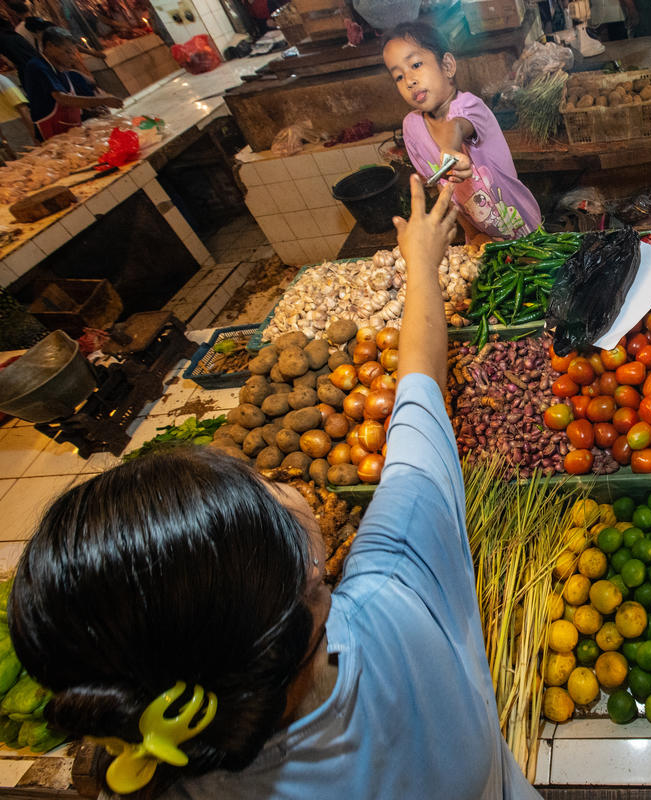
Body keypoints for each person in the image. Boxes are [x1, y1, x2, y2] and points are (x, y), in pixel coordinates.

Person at [8, 178, 542, 800]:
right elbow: (420, 387)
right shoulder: (396, 589)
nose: (279, 480)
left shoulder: (176, 778)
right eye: (266, 491)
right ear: (311, 571)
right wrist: (421, 262)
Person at [385, 22, 541, 246]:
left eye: (416, 64)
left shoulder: (470, 107)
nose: (409, 81)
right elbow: (442, 189)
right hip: (480, 239)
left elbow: (456, 126)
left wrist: (448, 150)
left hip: (524, 228)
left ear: (447, 65)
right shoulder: (412, 129)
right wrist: (473, 232)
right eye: (399, 77)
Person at [22, 26, 120, 140]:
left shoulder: (59, 67)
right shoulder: (37, 66)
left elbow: (70, 100)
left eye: (73, 53)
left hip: (72, 131)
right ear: (50, 46)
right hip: (53, 135)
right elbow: (62, 99)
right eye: (67, 52)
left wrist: (87, 113)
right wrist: (103, 100)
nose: (72, 58)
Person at [0, 72, 36, 151]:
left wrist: (35, 136)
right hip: (8, 130)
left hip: (20, 126)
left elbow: (22, 108)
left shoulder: (1, 80)